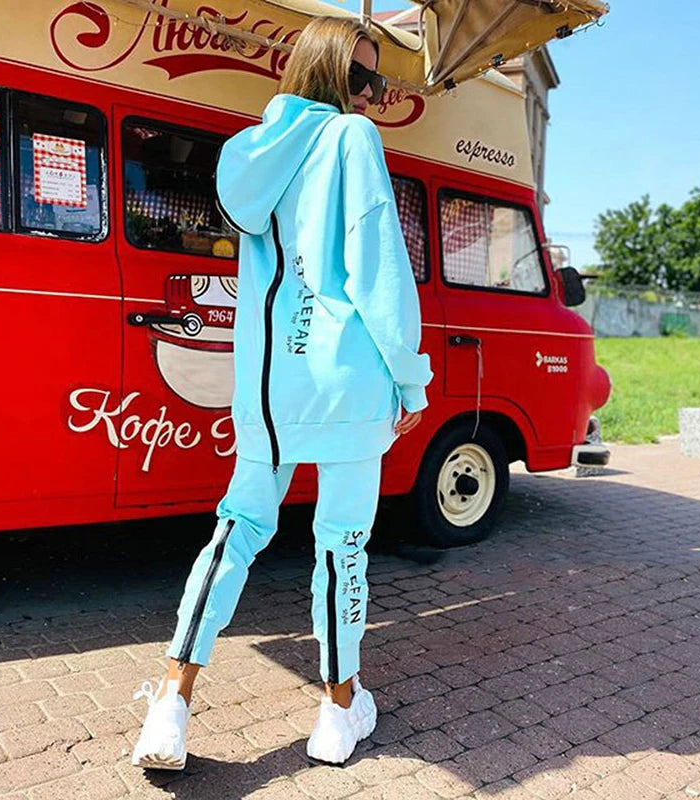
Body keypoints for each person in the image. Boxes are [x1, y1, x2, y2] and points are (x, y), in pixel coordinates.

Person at [130, 15, 432, 770]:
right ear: (332, 76)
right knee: (343, 544)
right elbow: (377, 272)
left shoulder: (251, 154)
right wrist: (411, 378)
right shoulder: (353, 138)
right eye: (365, 78)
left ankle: (171, 703)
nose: (374, 94)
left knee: (237, 530)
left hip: (268, 383)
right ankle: (337, 712)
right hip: (348, 381)